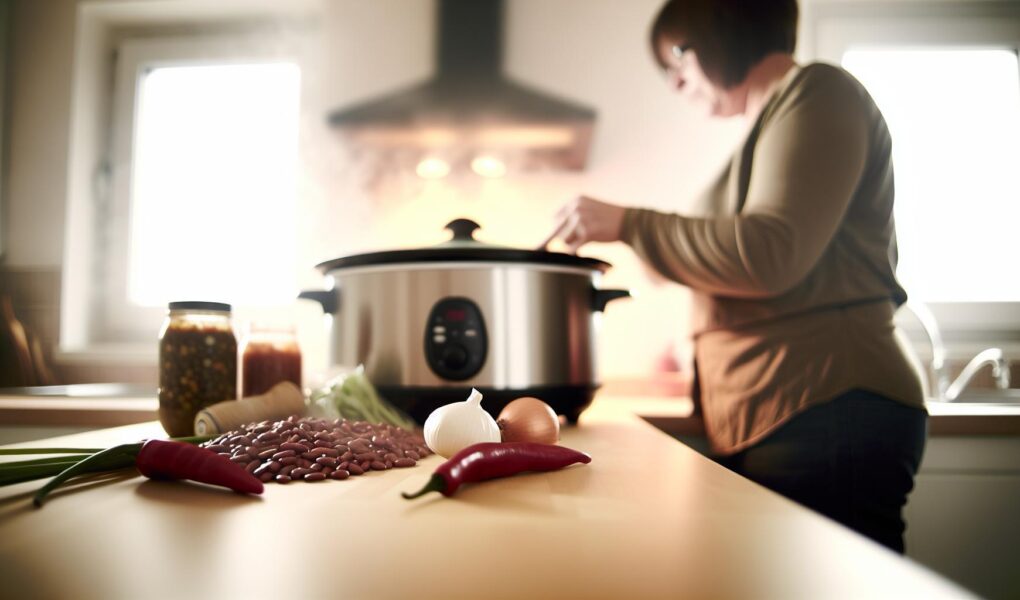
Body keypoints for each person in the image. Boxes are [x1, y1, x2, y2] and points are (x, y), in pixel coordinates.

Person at [544, 0, 927, 553]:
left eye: (678, 58)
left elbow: (769, 255)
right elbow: (747, 264)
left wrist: (628, 223)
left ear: (722, 29)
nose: (676, 82)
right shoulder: (769, 126)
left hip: (829, 406)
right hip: (791, 411)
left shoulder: (818, 93)